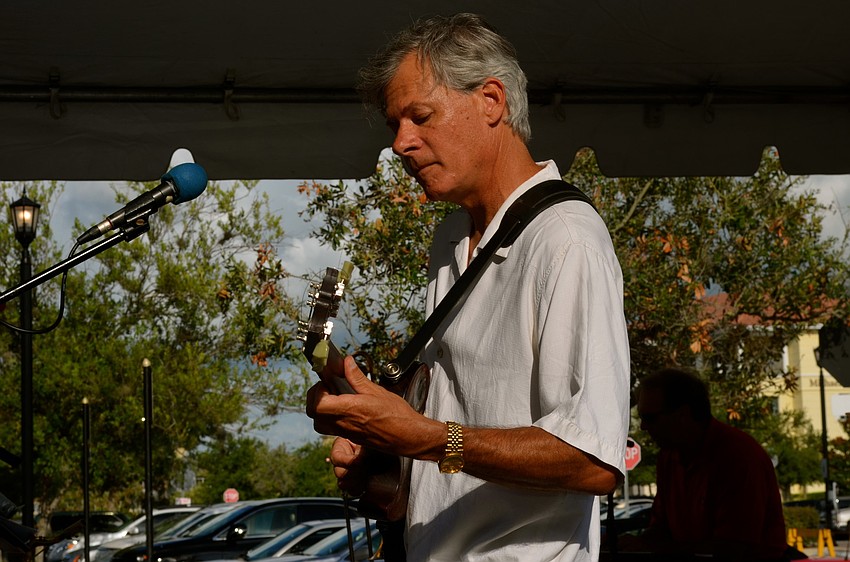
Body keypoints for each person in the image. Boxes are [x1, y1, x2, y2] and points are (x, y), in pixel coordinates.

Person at [305, 13, 631, 562]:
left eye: (420, 117)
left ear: (492, 101)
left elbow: (594, 460)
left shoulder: (566, 238)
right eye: (394, 126)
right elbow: (458, 443)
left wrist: (427, 438)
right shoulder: (451, 238)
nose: (401, 144)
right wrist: (383, 468)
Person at [628, 368, 789, 561]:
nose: (644, 427)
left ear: (682, 415)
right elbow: (662, 528)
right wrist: (633, 544)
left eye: (650, 418)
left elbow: (733, 547)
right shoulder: (668, 457)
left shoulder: (737, 456)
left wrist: (655, 546)